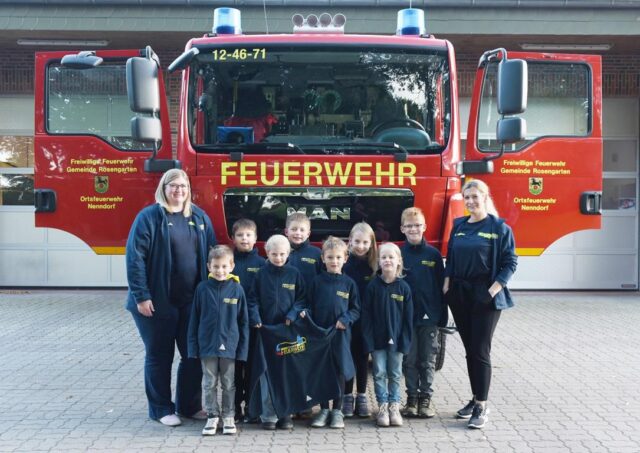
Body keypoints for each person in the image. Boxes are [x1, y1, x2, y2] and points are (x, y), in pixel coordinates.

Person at [125, 169, 216, 426]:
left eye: (183, 186)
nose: (179, 190)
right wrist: (141, 296)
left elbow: (211, 256)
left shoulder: (198, 217)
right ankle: (161, 408)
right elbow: (135, 259)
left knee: (193, 355)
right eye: (173, 186)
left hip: (190, 303)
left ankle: (188, 406)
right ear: (163, 189)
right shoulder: (149, 217)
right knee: (159, 355)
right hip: (155, 302)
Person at [443, 179, 517, 429]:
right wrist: (447, 287)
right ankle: (475, 399)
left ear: (485, 197)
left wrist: (493, 290)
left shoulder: (499, 228)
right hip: (460, 294)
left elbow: (510, 263)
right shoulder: (459, 225)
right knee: (470, 350)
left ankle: (482, 406)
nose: (471, 201)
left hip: (485, 295)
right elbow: (451, 258)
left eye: (475, 196)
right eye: (467, 197)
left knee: (481, 351)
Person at [187, 245, 249, 436]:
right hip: (207, 346)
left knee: (229, 383)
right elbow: (194, 320)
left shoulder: (237, 290)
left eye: (224, 266)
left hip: (229, 347)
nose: (220, 270)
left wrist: (242, 350)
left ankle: (229, 415)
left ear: (231, 266)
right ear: (209, 266)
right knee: (209, 383)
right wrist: (192, 347)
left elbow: (244, 322)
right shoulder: (202, 289)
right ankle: (212, 416)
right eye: (215, 266)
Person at [247, 234, 306, 430]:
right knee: (266, 374)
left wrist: (293, 314)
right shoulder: (260, 275)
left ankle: (285, 413)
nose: (278, 258)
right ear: (267, 252)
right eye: (274, 254)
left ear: (288, 253)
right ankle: (268, 415)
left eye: (282, 254)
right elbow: (252, 299)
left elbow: (301, 300)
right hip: (265, 333)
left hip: (287, 332)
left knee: (285, 375)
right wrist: (255, 317)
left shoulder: (295, 274)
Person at [302, 237, 360, 429]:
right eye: (330, 257)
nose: (334, 261)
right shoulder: (316, 282)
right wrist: (305, 315)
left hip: (341, 336)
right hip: (320, 336)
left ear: (345, 258)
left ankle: (337, 411)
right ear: (323, 258)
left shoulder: (349, 284)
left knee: (339, 371)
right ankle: (324, 410)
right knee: (322, 371)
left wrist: (345, 319)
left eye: (338, 257)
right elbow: (308, 304)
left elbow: (356, 309)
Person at [399, 207, 446, 419]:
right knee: (409, 360)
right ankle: (411, 399)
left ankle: (425, 399)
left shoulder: (434, 255)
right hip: (406, 318)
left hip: (429, 318)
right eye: (408, 226)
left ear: (424, 227)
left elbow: (441, 287)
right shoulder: (398, 254)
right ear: (402, 229)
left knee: (427, 360)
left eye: (417, 225)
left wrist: (442, 316)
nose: (413, 229)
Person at [362, 242, 413, 428]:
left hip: (397, 342)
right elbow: (366, 317)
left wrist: (406, 342)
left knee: (395, 373)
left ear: (399, 261)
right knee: (379, 373)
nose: (388, 260)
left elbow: (408, 320)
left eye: (391, 257)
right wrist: (368, 341)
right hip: (377, 341)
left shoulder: (404, 288)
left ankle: (394, 407)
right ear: (378, 261)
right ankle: (382, 407)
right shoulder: (373, 287)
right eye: (384, 257)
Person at [230, 218, 265, 423]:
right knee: (234, 369)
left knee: (253, 366)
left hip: (254, 325)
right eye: (240, 235)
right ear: (233, 239)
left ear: (256, 238)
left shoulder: (262, 264)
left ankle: (253, 406)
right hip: (232, 325)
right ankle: (235, 407)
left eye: (248, 235)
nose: (244, 238)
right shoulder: (228, 262)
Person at [342, 222, 378, 418]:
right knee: (347, 357)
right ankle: (347, 396)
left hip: (366, 322)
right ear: (350, 241)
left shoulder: (375, 266)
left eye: (365, 242)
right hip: (347, 320)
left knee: (362, 358)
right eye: (357, 241)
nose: (361, 246)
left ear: (371, 243)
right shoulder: (344, 264)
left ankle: (362, 396)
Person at [285, 212, 323, 291]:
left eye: (302, 230)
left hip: (310, 300)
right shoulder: (280, 252)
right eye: (294, 229)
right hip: (286, 299)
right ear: (286, 232)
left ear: (308, 234)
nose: (298, 233)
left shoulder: (317, 253)